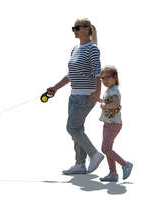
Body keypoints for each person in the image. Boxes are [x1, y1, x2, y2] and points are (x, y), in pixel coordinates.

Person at [46, 18, 104, 174]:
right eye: (73, 28)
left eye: (77, 28)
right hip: (74, 95)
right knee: (77, 128)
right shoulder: (75, 49)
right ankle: (80, 164)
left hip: (86, 95)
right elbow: (71, 74)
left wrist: (97, 92)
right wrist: (55, 88)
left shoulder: (92, 48)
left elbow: (98, 72)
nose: (74, 30)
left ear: (86, 29)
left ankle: (95, 154)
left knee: (72, 127)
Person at [98, 65, 133, 182]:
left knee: (105, 149)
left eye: (107, 77)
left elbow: (116, 104)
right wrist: (99, 100)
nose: (104, 81)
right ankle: (113, 173)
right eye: (102, 78)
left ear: (115, 77)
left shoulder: (114, 91)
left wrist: (104, 106)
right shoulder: (109, 91)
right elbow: (107, 101)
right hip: (108, 123)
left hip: (113, 124)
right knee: (109, 149)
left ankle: (125, 164)